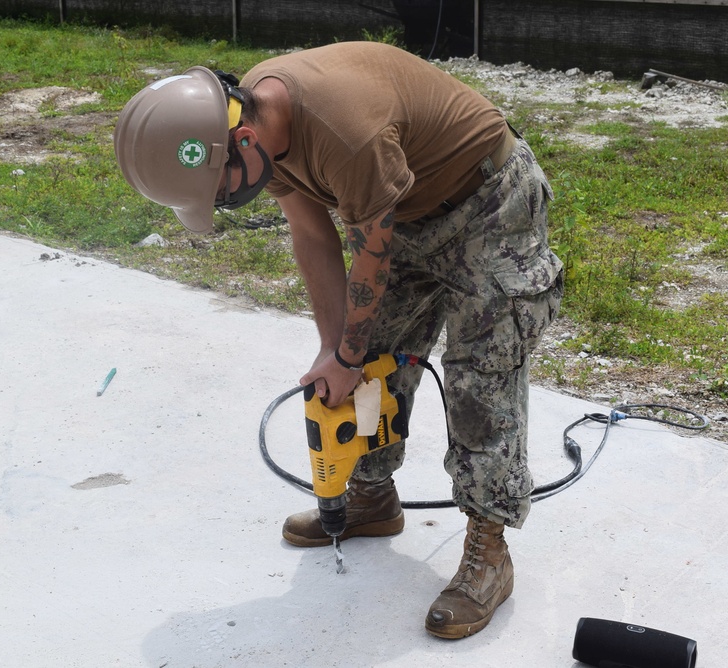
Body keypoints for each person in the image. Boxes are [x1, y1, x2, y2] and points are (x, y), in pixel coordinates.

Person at [114, 41, 564, 639]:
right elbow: (311, 234)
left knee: (481, 376)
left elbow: (371, 252)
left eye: (219, 191)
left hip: (486, 204)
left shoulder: (346, 132)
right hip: (403, 211)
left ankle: (490, 548)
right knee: (373, 356)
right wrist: (337, 352)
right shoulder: (251, 122)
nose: (223, 203)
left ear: (241, 142)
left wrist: (348, 354)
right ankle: (372, 498)